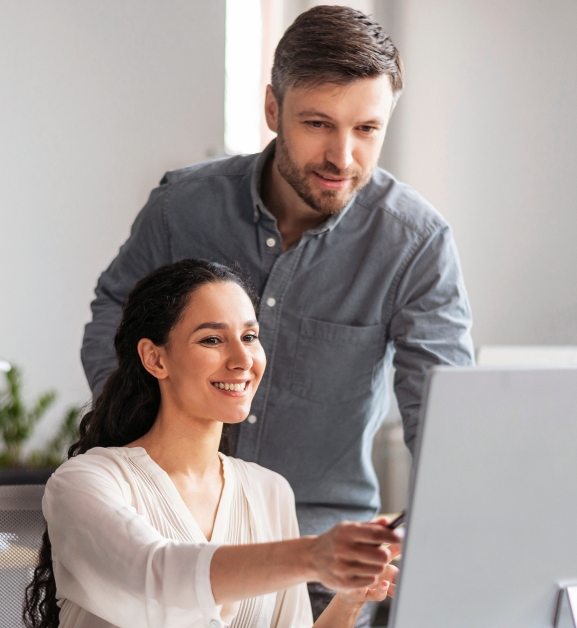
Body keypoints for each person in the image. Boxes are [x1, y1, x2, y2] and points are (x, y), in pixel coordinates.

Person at [81, 6, 473, 623]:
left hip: (324, 562)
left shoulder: (414, 243)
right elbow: (116, 321)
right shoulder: (182, 208)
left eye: (367, 129)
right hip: (174, 538)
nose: (342, 156)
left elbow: (447, 412)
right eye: (318, 123)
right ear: (272, 110)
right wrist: (148, 443)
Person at [26, 259, 401, 628]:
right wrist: (313, 556)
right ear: (155, 359)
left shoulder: (269, 490)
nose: (242, 360)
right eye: (212, 339)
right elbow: (156, 576)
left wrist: (350, 599)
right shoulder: (84, 482)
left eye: (250, 337)